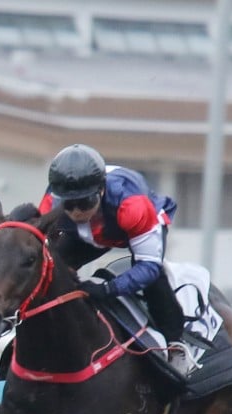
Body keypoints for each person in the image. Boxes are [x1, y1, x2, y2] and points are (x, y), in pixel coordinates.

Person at [38, 143, 197, 373]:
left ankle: (174, 342)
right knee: (51, 269)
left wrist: (107, 289)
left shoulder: (133, 205)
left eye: (84, 202)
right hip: (89, 233)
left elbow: (148, 266)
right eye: (68, 204)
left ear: (101, 191)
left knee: (152, 279)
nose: (76, 212)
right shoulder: (50, 204)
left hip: (127, 228)